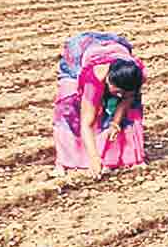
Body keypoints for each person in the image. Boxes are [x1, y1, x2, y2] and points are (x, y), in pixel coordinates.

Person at [52, 31, 146, 176]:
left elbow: (128, 98)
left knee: (132, 106)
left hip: (115, 46)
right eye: (118, 91)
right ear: (108, 80)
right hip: (79, 51)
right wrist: (94, 159)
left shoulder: (136, 74)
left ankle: (118, 156)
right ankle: (69, 159)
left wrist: (115, 122)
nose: (120, 96)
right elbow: (86, 123)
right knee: (69, 104)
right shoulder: (94, 79)